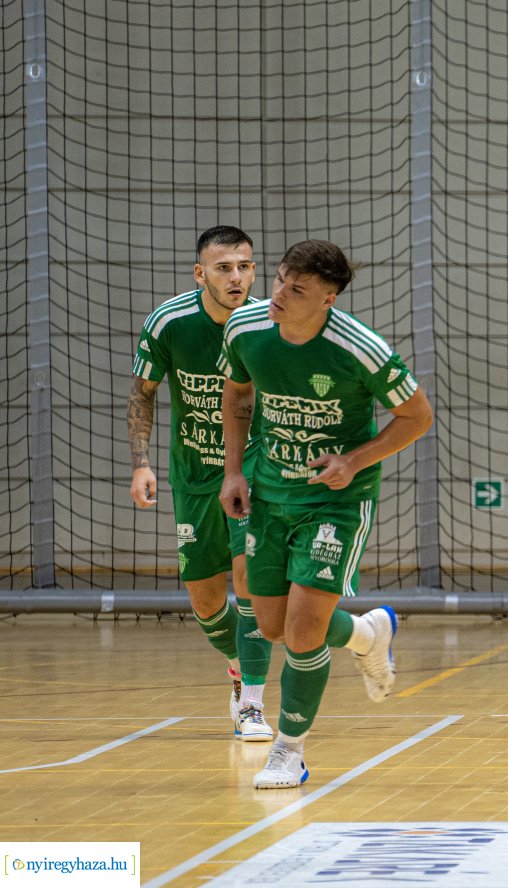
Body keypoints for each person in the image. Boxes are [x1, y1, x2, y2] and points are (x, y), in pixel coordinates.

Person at [218, 239, 431, 789]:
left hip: (336, 500)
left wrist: (353, 461)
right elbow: (238, 394)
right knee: (271, 626)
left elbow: (416, 416)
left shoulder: (360, 348)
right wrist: (234, 471)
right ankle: (366, 635)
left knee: (305, 632)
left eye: (298, 288)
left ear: (329, 298)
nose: (280, 293)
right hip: (269, 493)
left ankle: (289, 751)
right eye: (282, 279)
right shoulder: (245, 329)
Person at [128, 226, 275, 742]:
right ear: (200, 273)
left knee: (248, 577)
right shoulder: (169, 322)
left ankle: (254, 703)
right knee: (206, 598)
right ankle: (238, 669)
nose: (236, 277)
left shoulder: (265, 322)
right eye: (223, 268)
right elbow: (143, 393)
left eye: (245, 267)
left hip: (254, 469)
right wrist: (141, 462)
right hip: (193, 474)